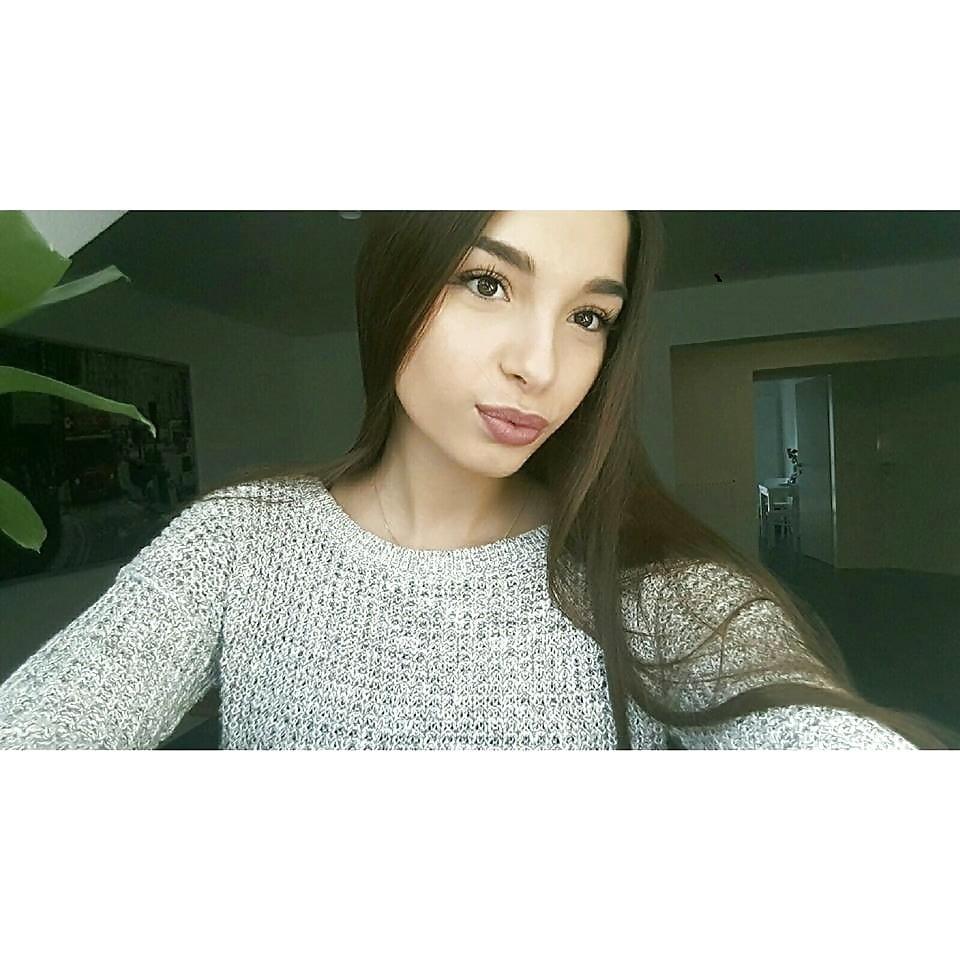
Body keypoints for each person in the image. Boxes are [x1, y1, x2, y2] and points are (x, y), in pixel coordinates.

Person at [0, 211, 952, 749]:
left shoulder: (646, 580)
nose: (541, 365)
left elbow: (812, 740)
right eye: (488, 283)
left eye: (589, 318)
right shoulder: (238, 543)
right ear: (397, 281)